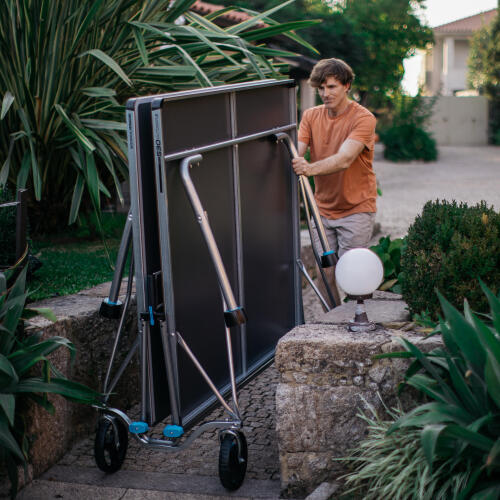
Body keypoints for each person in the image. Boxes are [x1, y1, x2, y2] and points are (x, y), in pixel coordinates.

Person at [292, 58, 377, 305]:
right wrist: (294, 159)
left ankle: (358, 321)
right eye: (321, 88)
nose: (325, 93)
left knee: (354, 274)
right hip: (323, 210)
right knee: (325, 271)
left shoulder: (363, 118)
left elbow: (344, 159)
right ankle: (332, 325)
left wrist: (307, 168)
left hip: (356, 208)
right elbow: (297, 150)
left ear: (347, 85)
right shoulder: (310, 116)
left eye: (331, 87)